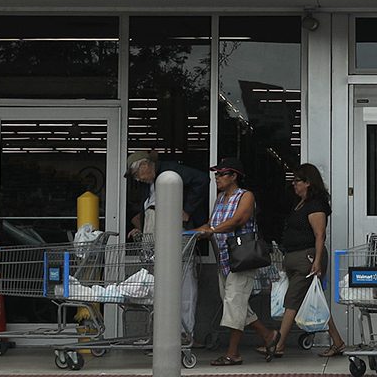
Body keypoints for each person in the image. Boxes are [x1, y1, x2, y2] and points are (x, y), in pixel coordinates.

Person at [196, 157, 279, 365]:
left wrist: (213, 230)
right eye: (216, 174)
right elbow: (212, 222)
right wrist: (196, 231)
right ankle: (268, 335)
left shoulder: (246, 196)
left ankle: (233, 353)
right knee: (235, 303)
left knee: (234, 303)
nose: (217, 177)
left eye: (221, 174)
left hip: (242, 259)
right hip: (224, 260)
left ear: (234, 176)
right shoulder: (220, 199)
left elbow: (239, 219)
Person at [127, 149, 210, 341]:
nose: (138, 179)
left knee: (184, 282)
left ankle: (184, 332)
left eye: (137, 174)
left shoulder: (170, 172)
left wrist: (187, 210)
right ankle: (162, 333)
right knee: (159, 284)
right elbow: (149, 211)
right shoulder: (148, 185)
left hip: (176, 234)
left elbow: (201, 180)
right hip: (156, 238)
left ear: (145, 165)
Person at [268, 163, 346, 359]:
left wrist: (317, 261)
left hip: (308, 257)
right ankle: (337, 341)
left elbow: (320, 235)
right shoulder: (299, 204)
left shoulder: (316, 205)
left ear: (308, 183)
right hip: (294, 256)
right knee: (311, 300)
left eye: (297, 181)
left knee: (292, 300)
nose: (294, 184)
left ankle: (278, 344)